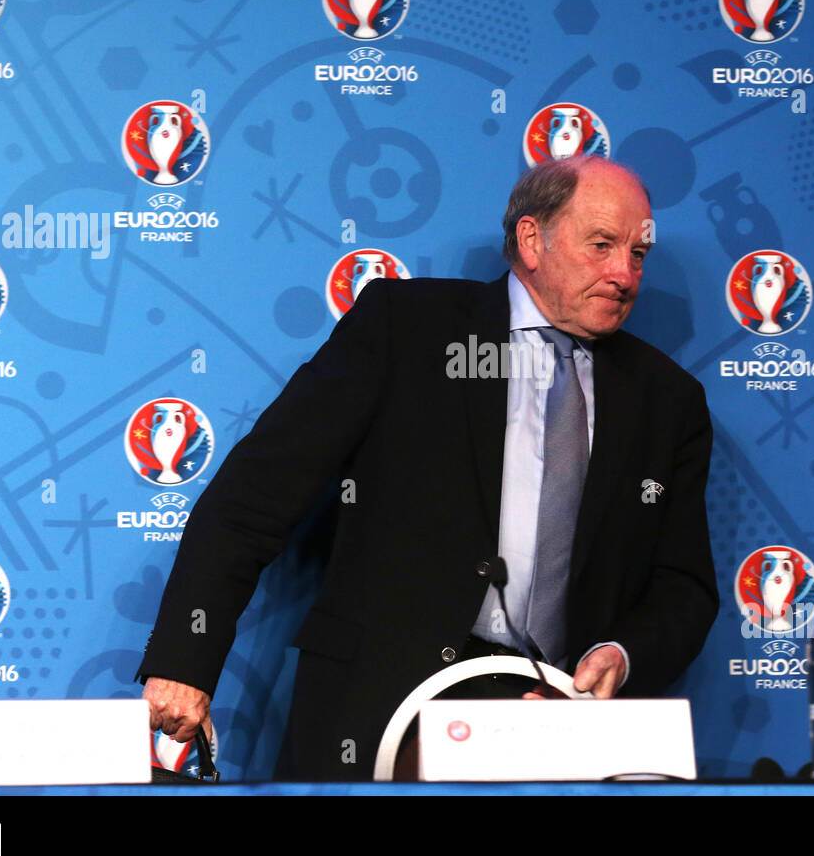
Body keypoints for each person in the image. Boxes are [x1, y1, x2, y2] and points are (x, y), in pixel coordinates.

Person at [138, 156, 718, 780]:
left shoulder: (668, 401)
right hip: (374, 714)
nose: (624, 273)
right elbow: (254, 496)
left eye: (638, 253)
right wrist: (184, 662)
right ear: (531, 240)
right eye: (602, 245)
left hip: (554, 728)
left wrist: (620, 654)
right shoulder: (408, 328)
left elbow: (682, 586)